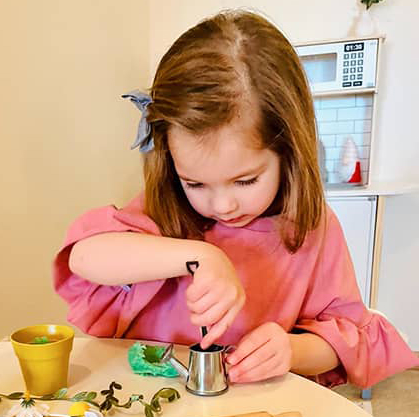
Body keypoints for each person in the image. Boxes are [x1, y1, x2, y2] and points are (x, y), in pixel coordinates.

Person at [53, 10, 418, 388]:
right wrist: (203, 256)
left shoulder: (312, 228)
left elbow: (346, 337)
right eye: (195, 183)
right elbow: (84, 256)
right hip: (150, 400)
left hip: (255, 411)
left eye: (245, 181)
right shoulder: (164, 209)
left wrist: (292, 350)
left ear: (288, 152)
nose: (223, 205)